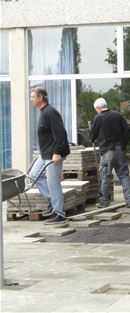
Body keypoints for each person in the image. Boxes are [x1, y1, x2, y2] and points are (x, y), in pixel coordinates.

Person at [29, 87, 70, 224]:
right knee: (34, 175)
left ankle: (59, 213)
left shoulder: (50, 113)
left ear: (41, 98)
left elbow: (61, 134)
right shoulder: (44, 112)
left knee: (53, 183)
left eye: (33, 97)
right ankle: (54, 201)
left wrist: (57, 152)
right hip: (45, 153)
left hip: (53, 153)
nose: (31, 100)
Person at [90, 98, 130, 208]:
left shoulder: (98, 117)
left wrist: (91, 138)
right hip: (120, 149)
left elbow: (92, 137)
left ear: (98, 108)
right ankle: (129, 200)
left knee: (105, 176)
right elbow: (127, 130)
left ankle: (104, 201)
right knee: (123, 175)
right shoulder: (118, 115)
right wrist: (124, 144)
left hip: (107, 151)